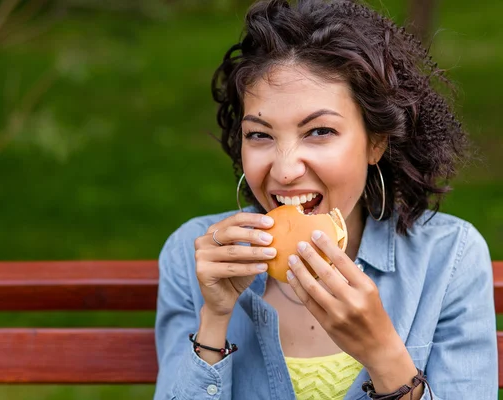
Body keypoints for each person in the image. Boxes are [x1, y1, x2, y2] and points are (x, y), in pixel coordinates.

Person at [153, 0, 498, 399]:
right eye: (260, 134)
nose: (284, 171)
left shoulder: (449, 260)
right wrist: (214, 318)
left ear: (376, 142)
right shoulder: (193, 256)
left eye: (318, 131)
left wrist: (383, 354)